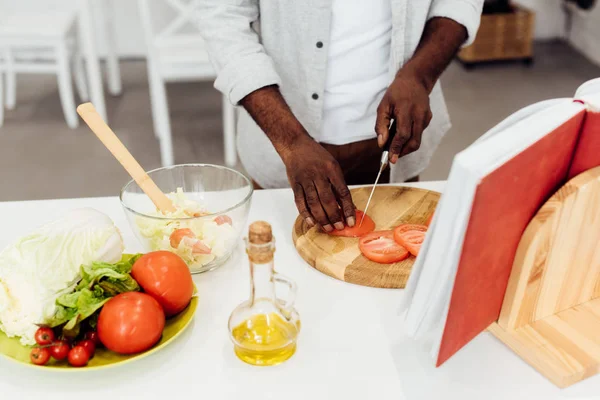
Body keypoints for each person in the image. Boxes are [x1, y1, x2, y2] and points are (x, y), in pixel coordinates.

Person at [198, 0, 484, 232]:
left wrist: (419, 76)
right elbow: (221, 18)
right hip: (282, 149)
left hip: (395, 147)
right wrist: (291, 142)